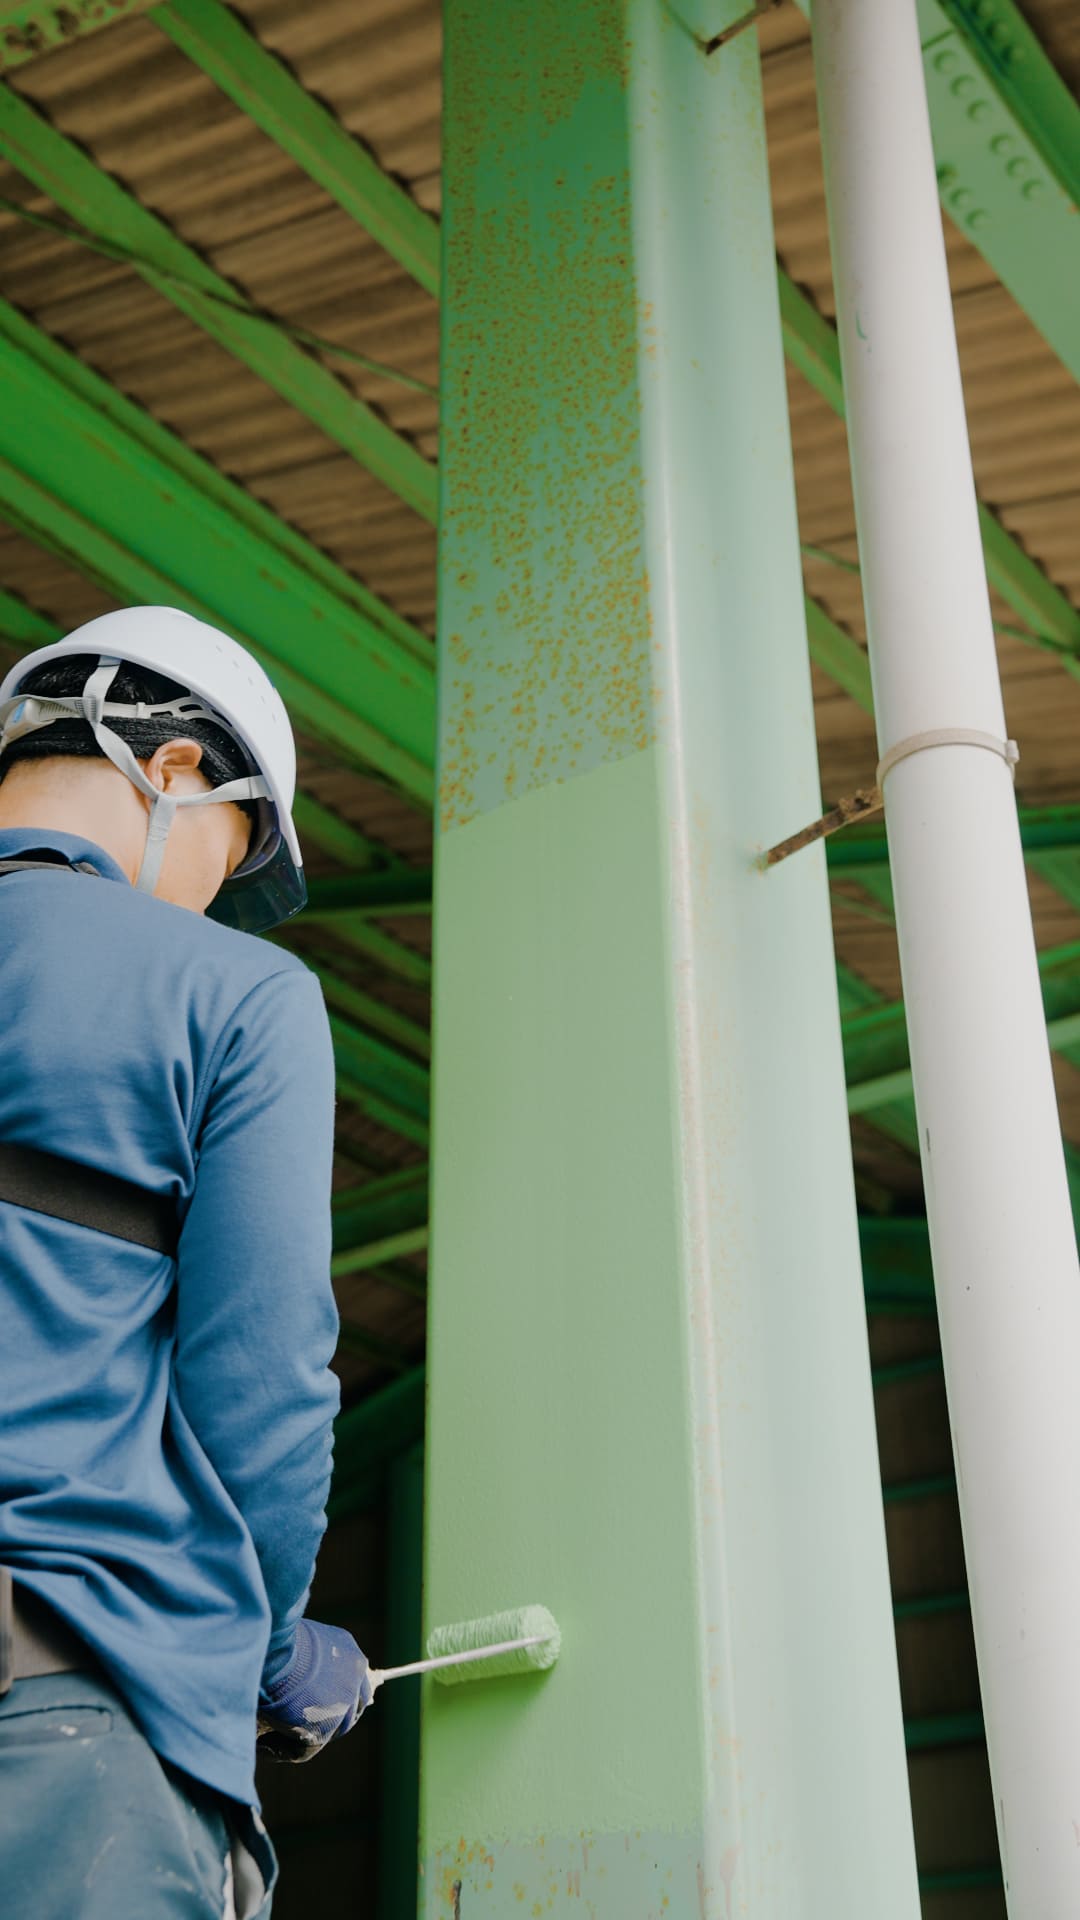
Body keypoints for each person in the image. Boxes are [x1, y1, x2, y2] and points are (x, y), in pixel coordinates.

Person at [0, 605, 370, 1920]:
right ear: (169, 769)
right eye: (230, 850)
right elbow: (261, 1381)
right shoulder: (237, 995)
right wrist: (270, 1650)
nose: (217, 897)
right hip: (65, 1716)